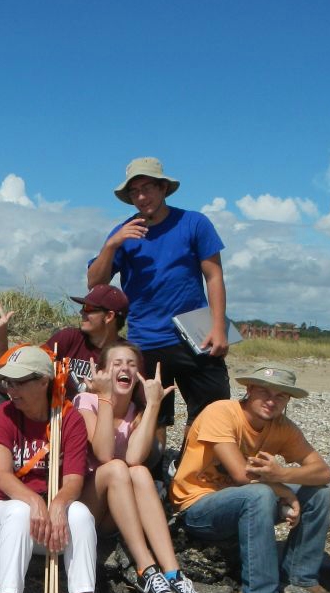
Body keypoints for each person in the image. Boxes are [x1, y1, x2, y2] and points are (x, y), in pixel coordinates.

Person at [170, 365, 330, 593]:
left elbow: (324, 472)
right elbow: (242, 474)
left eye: (280, 396)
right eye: (264, 392)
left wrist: (283, 474)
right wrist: (285, 491)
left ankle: (303, 580)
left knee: (319, 493)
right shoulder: (221, 412)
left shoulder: (283, 428)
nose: (271, 401)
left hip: (251, 501)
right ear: (249, 390)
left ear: (288, 400)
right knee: (260, 493)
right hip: (199, 508)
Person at [0, 346, 110, 593]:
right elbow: (3, 476)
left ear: (45, 381)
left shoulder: (68, 418)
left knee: (81, 514)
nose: (10, 389)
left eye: (19, 382)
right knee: (19, 510)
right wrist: (35, 500)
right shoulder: (2, 414)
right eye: (6, 383)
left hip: (44, 524)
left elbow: (74, 479)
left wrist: (59, 504)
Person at [87, 156, 231, 436]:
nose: (141, 196)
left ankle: (189, 466)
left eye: (148, 187)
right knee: (153, 416)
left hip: (195, 334)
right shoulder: (122, 233)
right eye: (134, 191)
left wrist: (218, 328)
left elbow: (214, 277)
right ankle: (155, 473)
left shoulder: (194, 223)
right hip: (146, 339)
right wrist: (112, 245)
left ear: (164, 188)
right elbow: (95, 283)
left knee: (211, 410)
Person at [75, 341, 207, 593]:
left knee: (137, 470)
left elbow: (135, 458)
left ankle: (173, 574)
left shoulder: (136, 412)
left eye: (132, 365)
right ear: (101, 372)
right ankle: (146, 568)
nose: (125, 368)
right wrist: (105, 398)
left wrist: (153, 405)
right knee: (115, 467)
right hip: (86, 507)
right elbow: (102, 453)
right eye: (117, 364)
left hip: (116, 512)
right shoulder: (85, 401)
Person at [46, 284, 128, 394]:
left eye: (88, 308)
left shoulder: (127, 354)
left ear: (109, 316)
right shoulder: (68, 338)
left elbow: (138, 405)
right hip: (61, 410)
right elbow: (33, 365)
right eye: (83, 307)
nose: (81, 312)